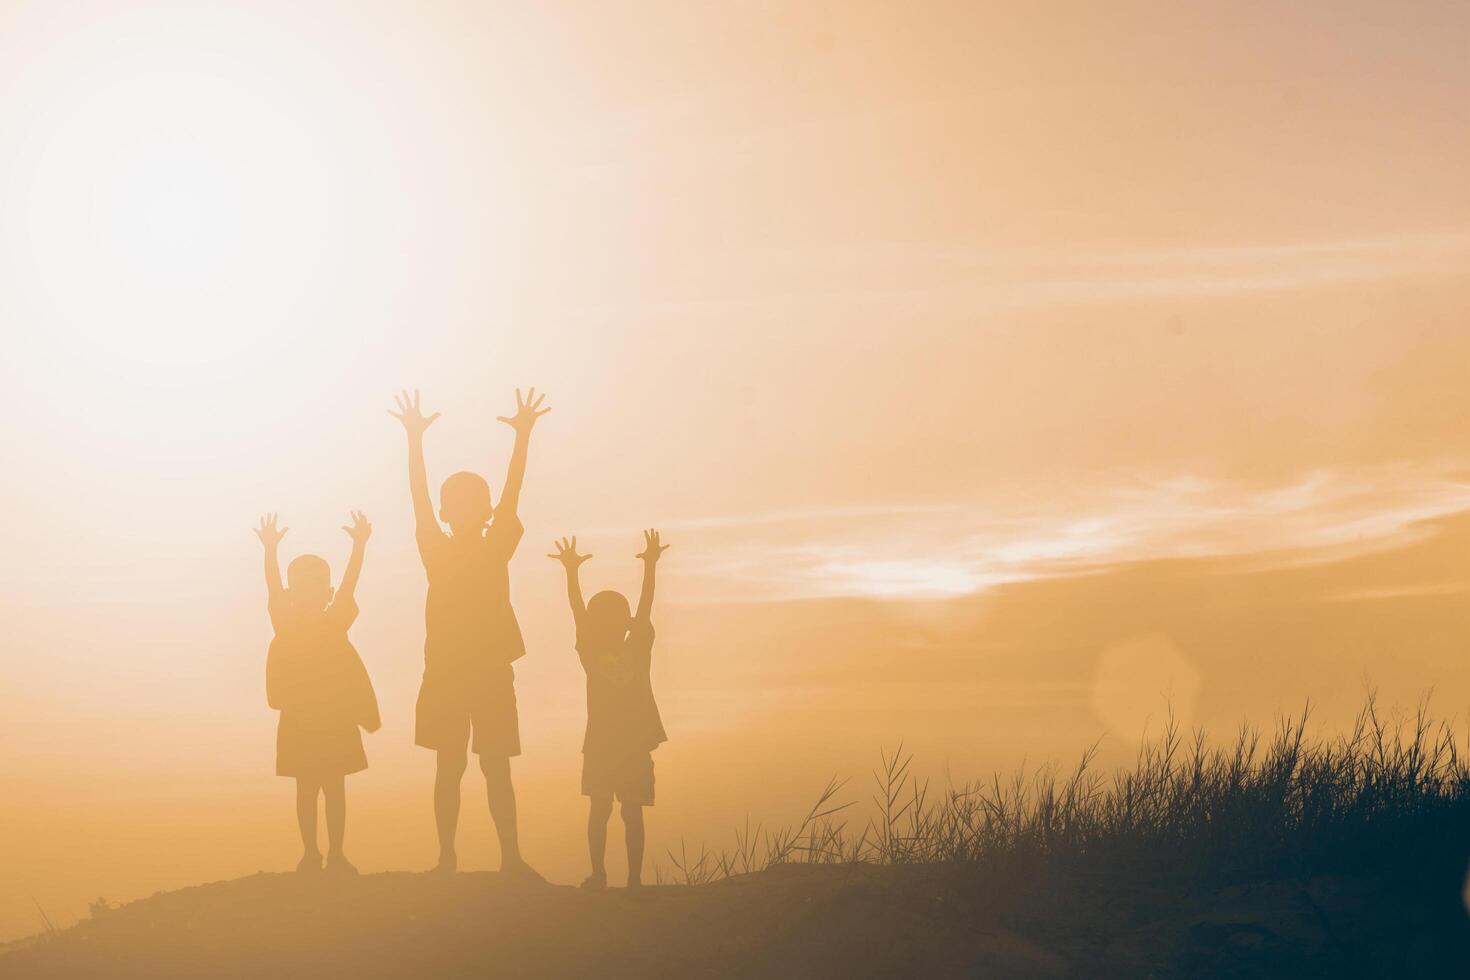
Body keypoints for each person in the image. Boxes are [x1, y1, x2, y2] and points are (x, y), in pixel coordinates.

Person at [390, 388, 549, 875]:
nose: (467, 508)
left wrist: (523, 438)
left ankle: (510, 858)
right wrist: (414, 441)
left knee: (495, 766)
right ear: (446, 511)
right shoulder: (436, 550)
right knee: (450, 766)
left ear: (485, 510)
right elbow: (417, 496)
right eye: (457, 502)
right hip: (445, 673)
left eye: (476, 501)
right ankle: (447, 859)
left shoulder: (495, 544)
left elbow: (513, 491)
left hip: (490, 671)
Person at [256, 510, 380, 874]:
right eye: (302, 588)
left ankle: (335, 854)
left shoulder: (328, 622)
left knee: (331, 788)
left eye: (317, 587)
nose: (310, 594)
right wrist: (269, 551)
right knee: (309, 789)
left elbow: (349, 586)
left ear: (325, 593)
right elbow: (273, 587)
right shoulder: (294, 624)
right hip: (305, 720)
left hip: (328, 719)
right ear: (293, 594)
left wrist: (359, 547)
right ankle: (313, 853)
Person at [549, 529, 670, 890]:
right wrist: (572, 574)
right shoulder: (597, 650)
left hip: (623, 744)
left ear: (626, 620)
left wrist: (650, 567)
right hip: (609, 743)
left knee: (625, 812)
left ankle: (630, 878)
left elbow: (644, 606)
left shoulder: (628, 649)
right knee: (604, 811)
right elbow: (578, 611)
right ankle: (603, 874)